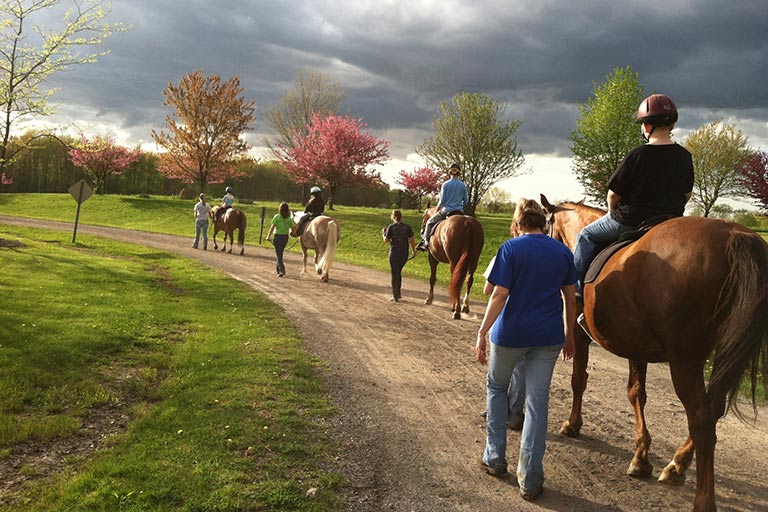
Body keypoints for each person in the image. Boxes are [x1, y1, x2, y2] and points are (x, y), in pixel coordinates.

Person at [475, 198, 577, 502]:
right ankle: (530, 479)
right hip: (548, 335)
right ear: (544, 224)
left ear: (518, 224)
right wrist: (570, 335)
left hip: (510, 334)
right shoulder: (562, 252)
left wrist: (482, 332)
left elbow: (499, 294)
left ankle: (495, 457)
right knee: (537, 402)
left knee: (496, 388)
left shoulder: (510, 248)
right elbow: (571, 299)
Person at [572, 94, 694, 299]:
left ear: (646, 127)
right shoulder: (684, 156)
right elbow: (687, 194)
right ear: (672, 125)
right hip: (671, 221)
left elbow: (613, 195)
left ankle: (575, 290)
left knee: (586, 235)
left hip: (632, 220)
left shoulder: (637, 154)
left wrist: (612, 213)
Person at [483, 255, 525, 431]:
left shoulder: (505, 255)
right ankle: (515, 414)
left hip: (506, 320)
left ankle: (495, 412)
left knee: (498, 376)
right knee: (521, 371)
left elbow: (487, 290)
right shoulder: (552, 253)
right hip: (536, 323)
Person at [417, 163, 468, 251]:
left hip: (447, 211)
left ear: (450, 172)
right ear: (459, 173)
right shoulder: (463, 185)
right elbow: (466, 201)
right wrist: (460, 207)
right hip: (459, 212)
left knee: (429, 222)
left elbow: (442, 200)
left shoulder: (445, 184)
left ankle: (425, 243)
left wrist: (438, 208)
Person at [382, 209, 417, 302]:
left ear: (393, 217)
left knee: (395, 273)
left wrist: (383, 233)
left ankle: (395, 295)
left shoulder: (391, 227)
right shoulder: (407, 227)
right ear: (401, 217)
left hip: (394, 253)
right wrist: (414, 250)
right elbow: (411, 239)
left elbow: (386, 240)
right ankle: (398, 293)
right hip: (404, 253)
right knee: (398, 272)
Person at [266, 202, 296, 277]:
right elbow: (293, 229)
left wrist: (268, 236)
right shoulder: (289, 219)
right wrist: (292, 233)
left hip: (277, 237)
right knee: (280, 253)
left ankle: (282, 270)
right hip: (285, 238)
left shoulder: (277, 217)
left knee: (278, 254)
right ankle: (277, 269)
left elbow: (272, 227)